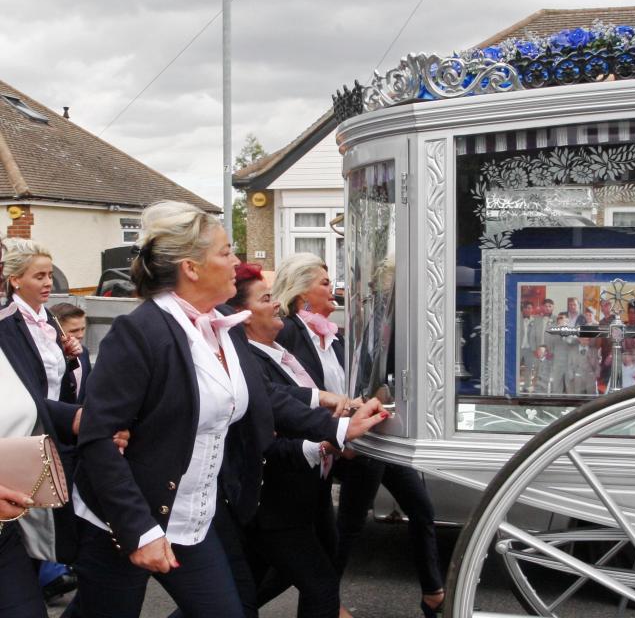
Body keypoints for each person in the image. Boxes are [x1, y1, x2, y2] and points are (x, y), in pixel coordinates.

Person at [69, 201, 388, 618]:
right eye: (225, 252)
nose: (237, 263)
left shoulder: (219, 324)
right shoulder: (141, 332)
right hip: (125, 521)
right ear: (191, 268)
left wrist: (338, 428)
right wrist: (138, 531)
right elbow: (98, 439)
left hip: (196, 520)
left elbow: (265, 398)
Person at [272, 253, 446, 618]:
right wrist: (339, 435)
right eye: (324, 282)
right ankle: (328, 603)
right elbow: (287, 396)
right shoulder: (289, 331)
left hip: (360, 440)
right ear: (302, 293)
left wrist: (370, 404)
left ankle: (433, 591)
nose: (333, 288)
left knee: (421, 507)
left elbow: (354, 389)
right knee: (346, 527)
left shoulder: (333, 338)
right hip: (329, 446)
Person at [226, 262, 346, 618]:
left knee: (249, 590)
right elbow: (269, 421)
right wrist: (326, 439)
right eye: (266, 298)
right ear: (243, 316)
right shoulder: (251, 360)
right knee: (320, 584)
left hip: (305, 493)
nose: (276, 302)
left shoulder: (279, 352)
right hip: (275, 501)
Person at [0, 236, 92, 617]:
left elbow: (29, 397)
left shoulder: (39, 321)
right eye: (37, 275)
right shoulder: (8, 326)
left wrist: (76, 418)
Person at [0, 238, 83, 404]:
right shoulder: (5, 323)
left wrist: (68, 357)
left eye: (50, 276)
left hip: (55, 420)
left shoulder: (50, 319)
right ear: (16, 280)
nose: (49, 283)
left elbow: (56, 380)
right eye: (40, 277)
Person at [49, 302, 92, 404]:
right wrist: (66, 359)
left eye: (83, 329)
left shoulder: (84, 352)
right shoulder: (47, 357)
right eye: (74, 331)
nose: (80, 335)